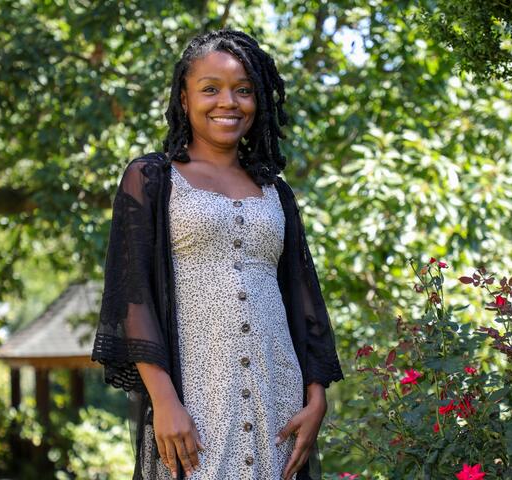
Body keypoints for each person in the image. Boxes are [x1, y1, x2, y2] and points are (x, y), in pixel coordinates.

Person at [91, 29, 345, 480]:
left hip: (279, 398)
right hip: (196, 397)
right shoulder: (151, 178)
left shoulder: (276, 192)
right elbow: (132, 297)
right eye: (210, 89)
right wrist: (164, 401)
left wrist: (316, 394)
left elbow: (305, 299)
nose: (228, 102)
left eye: (243, 90)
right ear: (184, 100)